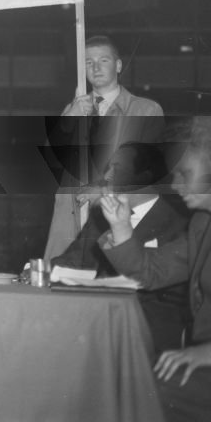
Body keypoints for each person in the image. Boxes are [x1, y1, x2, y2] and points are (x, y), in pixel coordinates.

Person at [98, 118, 211, 422]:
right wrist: (121, 227)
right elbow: (151, 272)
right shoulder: (202, 224)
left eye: (185, 173)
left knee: (135, 395)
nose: (174, 185)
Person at [50, 141, 189, 353]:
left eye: (117, 169)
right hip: (90, 328)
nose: (106, 177)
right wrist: (37, 271)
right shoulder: (100, 218)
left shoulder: (179, 226)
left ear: (145, 177)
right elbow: (70, 261)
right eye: (108, 168)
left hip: (143, 341)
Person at [45, 34, 165, 259]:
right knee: (65, 281)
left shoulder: (145, 110)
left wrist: (102, 189)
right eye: (88, 62)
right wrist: (69, 119)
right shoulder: (73, 109)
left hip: (119, 213)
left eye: (104, 60)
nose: (96, 67)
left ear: (118, 65)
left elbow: (147, 167)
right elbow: (49, 161)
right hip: (73, 215)